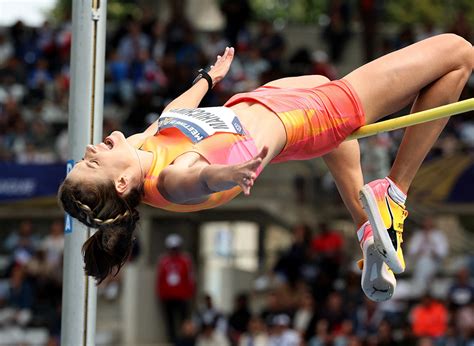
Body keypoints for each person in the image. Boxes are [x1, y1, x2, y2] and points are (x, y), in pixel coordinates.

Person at [59, 34, 474, 302]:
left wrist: (207, 78)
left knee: (317, 87)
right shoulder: (168, 180)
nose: (92, 147)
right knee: (458, 54)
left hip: (269, 101)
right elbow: (196, 178)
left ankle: (368, 229)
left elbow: (171, 117)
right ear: (122, 181)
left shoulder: (141, 152)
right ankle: (394, 194)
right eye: (92, 160)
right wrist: (228, 174)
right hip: (305, 119)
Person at [156, 234, 195, 343]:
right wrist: (161, 294)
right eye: (172, 248)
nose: (174, 251)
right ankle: (172, 340)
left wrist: (190, 293)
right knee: (169, 321)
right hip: (167, 296)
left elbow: (190, 278)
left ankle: (185, 340)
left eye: (175, 248)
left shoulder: (185, 260)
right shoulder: (163, 261)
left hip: (182, 296)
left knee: (183, 319)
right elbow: (160, 279)